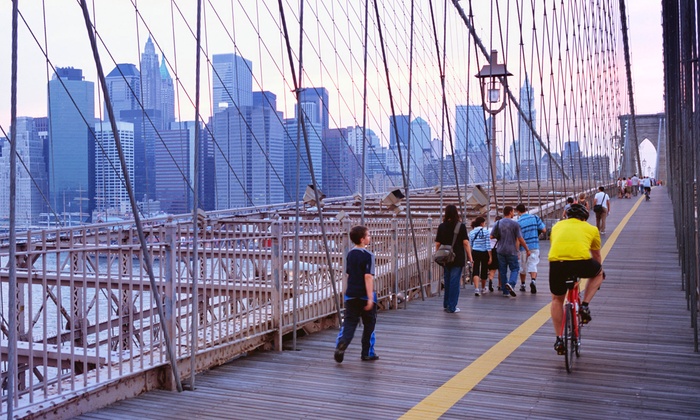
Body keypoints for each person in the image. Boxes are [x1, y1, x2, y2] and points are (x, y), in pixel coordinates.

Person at [548, 204, 605, 355]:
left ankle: (559, 338)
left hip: (557, 263)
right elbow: (597, 256)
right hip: (581, 262)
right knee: (599, 273)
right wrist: (597, 272)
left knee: (557, 299)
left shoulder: (556, 226)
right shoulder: (592, 229)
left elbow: (555, 245)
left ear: (566, 215)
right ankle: (585, 305)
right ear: (585, 218)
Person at [334, 225, 378, 363]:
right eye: (368, 235)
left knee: (349, 323)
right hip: (365, 295)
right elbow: (368, 277)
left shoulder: (350, 254)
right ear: (362, 239)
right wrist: (370, 297)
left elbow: (348, 274)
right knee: (369, 325)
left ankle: (342, 343)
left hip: (351, 294)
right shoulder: (369, 256)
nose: (370, 237)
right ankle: (367, 352)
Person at [434, 204, 473, 313]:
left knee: (447, 280)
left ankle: (446, 304)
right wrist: (470, 257)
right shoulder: (461, 226)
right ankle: (452, 307)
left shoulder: (442, 226)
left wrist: (438, 254)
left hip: (445, 257)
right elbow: (465, 243)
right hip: (457, 257)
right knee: (455, 282)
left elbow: (437, 243)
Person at [491, 206, 529, 298]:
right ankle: (511, 284)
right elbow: (520, 238)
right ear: (510, 212)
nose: (514, 213)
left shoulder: (498, 223)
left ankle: (505, 291)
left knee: (503, 271)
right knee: (515, 269)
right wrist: (527, 249)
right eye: (513, 212)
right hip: (512, 250)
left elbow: (491, 236)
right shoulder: (515, 224)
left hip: (500, 250)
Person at [515, 204, 546, 293]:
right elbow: (544, 230)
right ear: (526, 209)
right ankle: (533, 280)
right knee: (533, 264)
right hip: (534, 245)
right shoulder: (534, 217)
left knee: (523, 266)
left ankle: (523, 284)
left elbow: (518, 239)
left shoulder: (518, 222)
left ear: (518, 211)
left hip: (523, 248)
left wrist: (517, 250)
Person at [469, 216, 491, 296]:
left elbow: (470, 244)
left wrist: (470, 255)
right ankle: (483, 287)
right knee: (484, 269)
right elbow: (488, 245)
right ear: (482, 223)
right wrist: (490, 256)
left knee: (476, 269)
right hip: (484, 252)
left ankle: (476, 289)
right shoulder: (486, 232)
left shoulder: (471, 232)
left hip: (475, 251)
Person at [487, 215, 502, 291]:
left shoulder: (489, 229)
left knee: (492, 268)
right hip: (499, 249)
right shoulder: (502, 230)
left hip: (490, 250)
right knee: (501, 268)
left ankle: (490, 279)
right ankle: (500, 285)